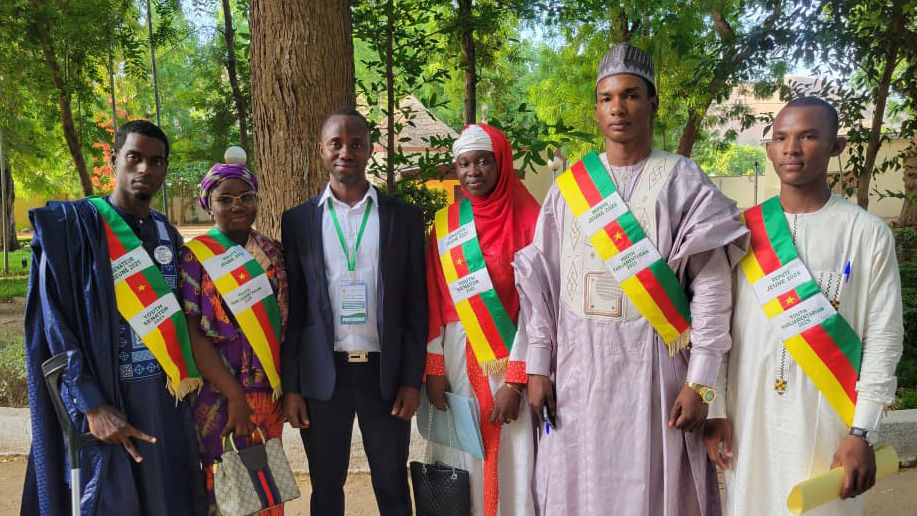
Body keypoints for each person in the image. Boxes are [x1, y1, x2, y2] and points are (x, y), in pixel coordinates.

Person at [512, 43, 749, 516]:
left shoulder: (682, 179)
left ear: (653, 103)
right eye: (606, 98)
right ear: (596, 110)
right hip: (578, 374)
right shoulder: (568, 190)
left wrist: (701, 383)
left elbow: (711, 288)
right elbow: (543, 285)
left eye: (631, 95)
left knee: (650, 490)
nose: (618, 107)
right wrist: (538, 365)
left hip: (656, 376)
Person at [704, 97, 904, 516]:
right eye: (781, 138)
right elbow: (717, 325)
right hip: (750, 414)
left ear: (837, 145)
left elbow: (883, 337)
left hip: (828, 416)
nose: (791, 148)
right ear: (770, 149)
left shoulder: (866, 233)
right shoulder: (741, 231)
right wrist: (716, 410)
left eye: (808, 136)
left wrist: (861, 431)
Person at [22, 120, 206, 515]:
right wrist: (91, 405)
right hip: (108, 397)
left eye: (156, 162)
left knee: (168, 501)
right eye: (134, 158)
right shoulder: (78, 228)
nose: (145, 169)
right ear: (114, 160)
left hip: (163, 400)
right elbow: (56, 325)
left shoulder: (168, 235)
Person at [280, 108, 427, 516]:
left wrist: (411, 379)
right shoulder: (298, 221)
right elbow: (295, 309)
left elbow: (417, 307)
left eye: (356, 143)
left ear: (369, 150)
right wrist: (292, 386)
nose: (346, 151)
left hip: (385, 376)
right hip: (322, 379)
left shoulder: (405, 219)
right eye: (336, 143)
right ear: (321, 151)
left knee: (392, 484)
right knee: (326, 489)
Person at [424, 124, 541, 516]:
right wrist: (435, 368)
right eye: (464, 164)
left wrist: (517, 380)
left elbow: (539, 309)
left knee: (513, 449)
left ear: (501, 163)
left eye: (483, 162)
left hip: (511, 356)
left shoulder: (532, 220)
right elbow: (435, 299)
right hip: (458, 356)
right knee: (463, 450)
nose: (473, 171)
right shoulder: (446, 225)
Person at [179, 154, 289, 515]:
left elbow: (285, 323)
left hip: (268, 392)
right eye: (225, 199)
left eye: (246, 197)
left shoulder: (272, 252)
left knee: (265, 487)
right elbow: (193, 334)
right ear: (208, 205)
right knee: (225, 489)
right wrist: (235, 396)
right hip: (219, 395)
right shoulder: (195, 257)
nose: (237, 205)